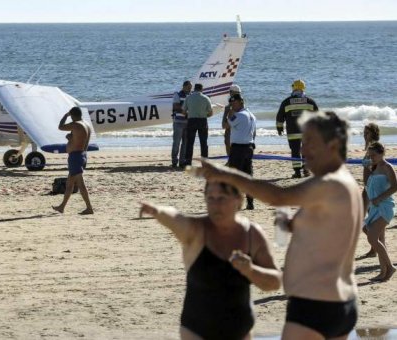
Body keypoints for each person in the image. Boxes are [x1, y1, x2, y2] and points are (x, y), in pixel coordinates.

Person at [196, 111, 361, 339]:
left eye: (310, 143)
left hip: (315, 304)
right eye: (302, 142)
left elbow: (277, 196)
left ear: (332, 145)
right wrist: (293, 225)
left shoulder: (330, 183)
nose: (303, 150)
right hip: (340, 303)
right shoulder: (345, 183)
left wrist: (226, 174)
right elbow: (332, 232)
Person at [139, 181, 281, 340]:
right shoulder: (196, 230)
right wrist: (157, 210)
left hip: (240, 333)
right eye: (210, 198)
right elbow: (175, 217)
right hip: (197, 332)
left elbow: (274, 282)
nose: (215, 204)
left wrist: (250, 271)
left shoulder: (252, 234)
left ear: (239, 200)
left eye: (222, 198)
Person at [362, 142, 397, 281]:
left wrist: (380, 197)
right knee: (377, 238)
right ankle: (383, 272)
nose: (372, 158)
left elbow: (395, 187)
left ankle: (390, 267)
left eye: (374, 155)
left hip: (385, 207)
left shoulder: (387, 167)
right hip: (375, 208)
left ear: (382, 153)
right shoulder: (374, 167)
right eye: (370, 155)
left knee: (372, 237)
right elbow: (366, 183)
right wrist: (365, 167)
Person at [52, 107, 94, 215]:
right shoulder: (86, 124)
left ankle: (89, 208)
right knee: (69, 184)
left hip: (76, 157)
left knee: (80, 184)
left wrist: (65, 116)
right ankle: (62, 207)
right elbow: (80, 139)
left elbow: (60, 127)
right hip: (81, 155)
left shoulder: (76, 125)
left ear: (72, 115)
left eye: (70, 116)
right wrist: (71, 138)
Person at [276, 79, 318, 178]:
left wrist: (279, 128)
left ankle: (297, 172)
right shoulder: (310, 102)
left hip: (292, 132)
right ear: (303, 89)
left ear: (293, 88)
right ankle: (306, 170)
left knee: (295, 151)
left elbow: (280, 116)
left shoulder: (286, 102)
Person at [227, 93, 257, 210]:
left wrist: (227, 114)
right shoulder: (251, 115)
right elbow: (254, 132)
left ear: (240, 102)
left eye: (233, 103)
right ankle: (250, 202)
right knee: (248, 176)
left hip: (238, 148)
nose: (232, 106)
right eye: (231, 103)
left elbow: (225, 125)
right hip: (248, 147)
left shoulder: (239, 115)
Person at [360, 123, 382, 258]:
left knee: (361, 220)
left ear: (373, 134)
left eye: (367, 133)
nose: (364, 135)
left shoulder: (374, 149)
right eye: (363, 133)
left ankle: (377, 246)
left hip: (372, 188)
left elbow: (377, 167)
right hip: (367, 187)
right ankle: (375, 247)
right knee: (368, 220)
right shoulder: (369, 148)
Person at [182, 83, 213, 166]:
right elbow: (210, 113)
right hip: (202, 120)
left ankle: (188, 161)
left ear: (194, 89)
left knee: (190, 142)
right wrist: (204, 115)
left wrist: (190, 114)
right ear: (202, 89)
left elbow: (183, 111)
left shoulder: (188, 98)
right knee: (203, 142)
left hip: (192, 120)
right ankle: (204, 162)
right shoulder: (206, 98)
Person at [171, 80, 192, 169]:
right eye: (188, 87)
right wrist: (186, 112)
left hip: (188, 122)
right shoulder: (177, 95)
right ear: (183, 86)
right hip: (178, 122)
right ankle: (174, 161)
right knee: (176, 143)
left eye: (190, 88)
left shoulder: (191, 95)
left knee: (185, 144)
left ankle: (182, 162)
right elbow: (175, 106)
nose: (189, 89)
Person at [222, 84, 242, 156]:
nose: (229, 94)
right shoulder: (241, 103)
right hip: (239, 128)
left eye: (230, 92)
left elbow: (225, 125)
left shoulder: (233, 104)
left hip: (232, 128)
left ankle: (229, 160)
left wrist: (225, 112)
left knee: (228, 142)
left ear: (233, 93)